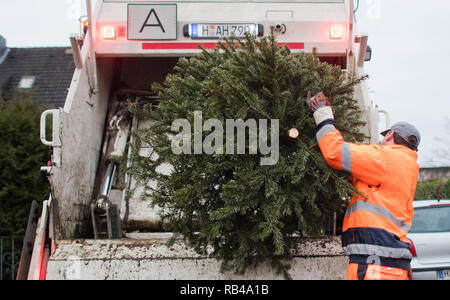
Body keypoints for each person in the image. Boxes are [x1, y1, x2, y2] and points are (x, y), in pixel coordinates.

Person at [306, 91, 420, 280]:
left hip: (376, 265)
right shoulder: (406, 165)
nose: (380, 142)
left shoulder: (385, 158)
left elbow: (336, 152)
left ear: (390, 135)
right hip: (388, 263)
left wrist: (323, 113)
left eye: (384, 137)